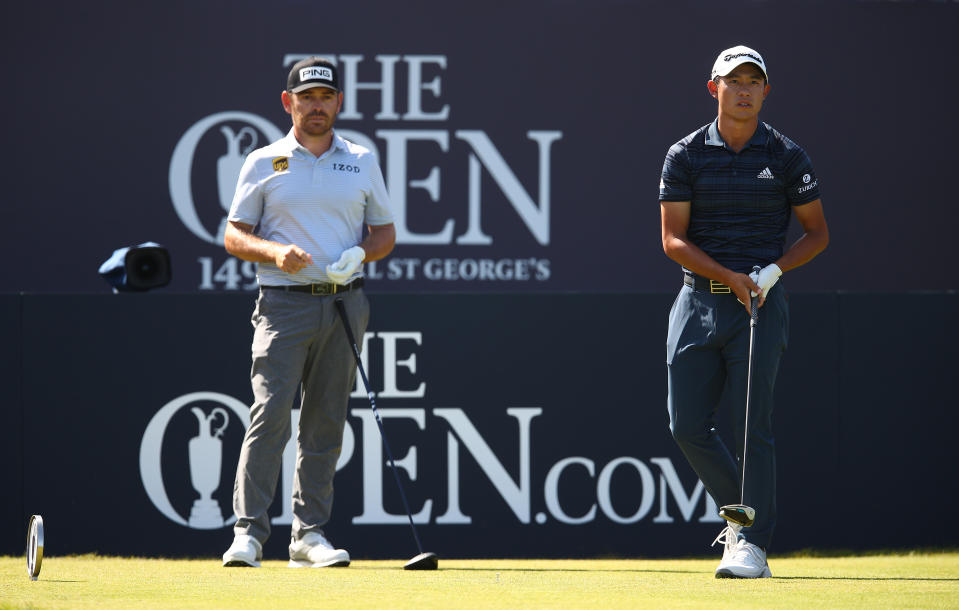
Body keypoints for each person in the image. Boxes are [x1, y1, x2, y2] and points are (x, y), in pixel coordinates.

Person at [659, 45, 829, 578]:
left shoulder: (786, 156)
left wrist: (771, 272)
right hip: (698, 301)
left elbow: (817, 233)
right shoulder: (684, 155)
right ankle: (744, 511)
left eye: (755, 81)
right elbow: (672, 239)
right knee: (685, 424)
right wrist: (726, 276)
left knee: (753, 426)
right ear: (714, 88)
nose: (745, 89)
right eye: (735, 81)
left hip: (760, 302)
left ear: (766, 91)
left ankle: (751, 543)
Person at [221, 56, 396, 568]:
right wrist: (275, 253)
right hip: (282, 305)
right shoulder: (263, 161)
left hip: (344, 303)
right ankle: (249, 534)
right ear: (287, 102)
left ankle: (308, 535)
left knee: (325, 423)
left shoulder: (361, 159)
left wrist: (361, 254)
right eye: (306, 98)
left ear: (339, 102)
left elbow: (383, 232)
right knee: (270, 416)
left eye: (325, 97)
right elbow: (234, 235)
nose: (316, 107)